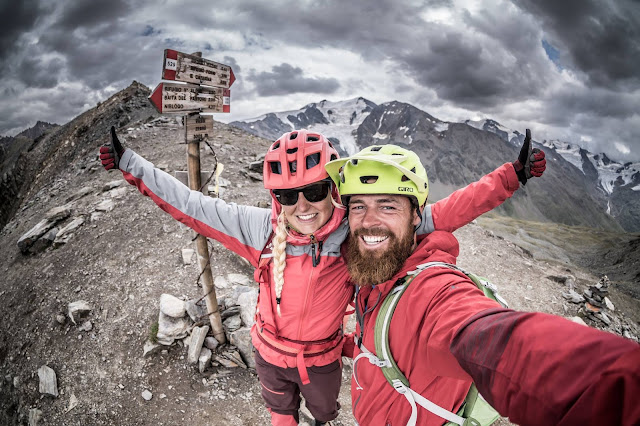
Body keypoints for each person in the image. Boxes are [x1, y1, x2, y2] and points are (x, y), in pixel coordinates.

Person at [99, 126, 545, 426]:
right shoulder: (259, 229)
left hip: (323, 360)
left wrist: (511, 176)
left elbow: (441, 213)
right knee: (279, 411)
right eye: (288, 195)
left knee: (325, 413)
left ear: (333, 188)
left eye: (313, 190)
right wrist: (129, 163)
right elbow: (192, 207)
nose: (303, 206)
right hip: (269, 355)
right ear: (275, 197)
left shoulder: (358, 230)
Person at [325, 145, 640, 426]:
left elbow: (494, 340)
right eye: (358, 207)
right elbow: (460, 205)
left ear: (416, 216)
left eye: (388, 206)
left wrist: (615, 387)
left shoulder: (429, 291)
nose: (369, 221)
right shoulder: (373, 269)